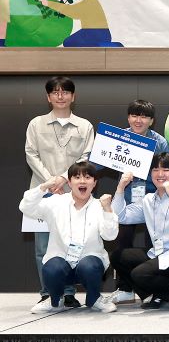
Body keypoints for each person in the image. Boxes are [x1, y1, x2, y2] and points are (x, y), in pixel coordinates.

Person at [108, 100, 169, 304]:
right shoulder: (118, 138)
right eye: (134, 115)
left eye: (144, 116)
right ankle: (125, 288)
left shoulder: (159, 142)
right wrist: (66, 177)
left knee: (153, 245)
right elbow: (96, 161)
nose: (138, 120)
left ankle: (153, 290)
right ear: (128, 118)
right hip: (126, 200)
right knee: (121, 245)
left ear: (151, 121)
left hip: (153, 201)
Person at [24, 76, 95, 311]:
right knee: (42, 247)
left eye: (65, 92)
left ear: (73, 96)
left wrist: (64, 178)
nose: (60, 96)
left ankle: (69, 293)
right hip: (42, 193)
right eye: (55, 92)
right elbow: (31, 154)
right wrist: (50, 182)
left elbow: (86, 156)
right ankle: (47, 292)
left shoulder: (84, 126)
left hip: (73, 192)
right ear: (48, 97)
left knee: (71, 242)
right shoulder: (36, 124)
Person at [19, 162, 118, 313]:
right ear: (69, 183)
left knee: (90, 265)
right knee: (52, 268)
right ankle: (55, 300)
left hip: (88, 263)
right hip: (61, 261)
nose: (82, 181)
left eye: (87, 177)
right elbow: (25, 207)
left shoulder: (100, 205)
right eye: (77, 177)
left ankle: (95, 299)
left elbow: (110, 236)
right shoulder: (56, 202)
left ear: (94, 183)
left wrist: (107, 210)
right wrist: (43, 187)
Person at [111, 153, 169, 310]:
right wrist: (120, 188)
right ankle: (156, 294)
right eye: (155, 170)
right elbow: (120, 216)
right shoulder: (148, 200)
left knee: (140, 274)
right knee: (118, 257)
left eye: (166, 170)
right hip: (159, 254)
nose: (160, 174)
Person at [40, 0, 122, 47]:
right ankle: (101, 45)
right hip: (102, 34)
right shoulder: (91, 0)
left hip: (94, 33)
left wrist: (49, 3)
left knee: (68, 43)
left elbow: (70, 10)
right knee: (72, 43)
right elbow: (74, 13)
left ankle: (106, 45)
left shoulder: (89, 2)